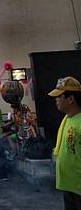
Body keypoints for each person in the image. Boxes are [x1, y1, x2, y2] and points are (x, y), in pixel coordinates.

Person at [49, 76, 81, 210]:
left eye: (59, 97)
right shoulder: (67, 118)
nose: (56, 100)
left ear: (70, 99)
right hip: (69, 186)